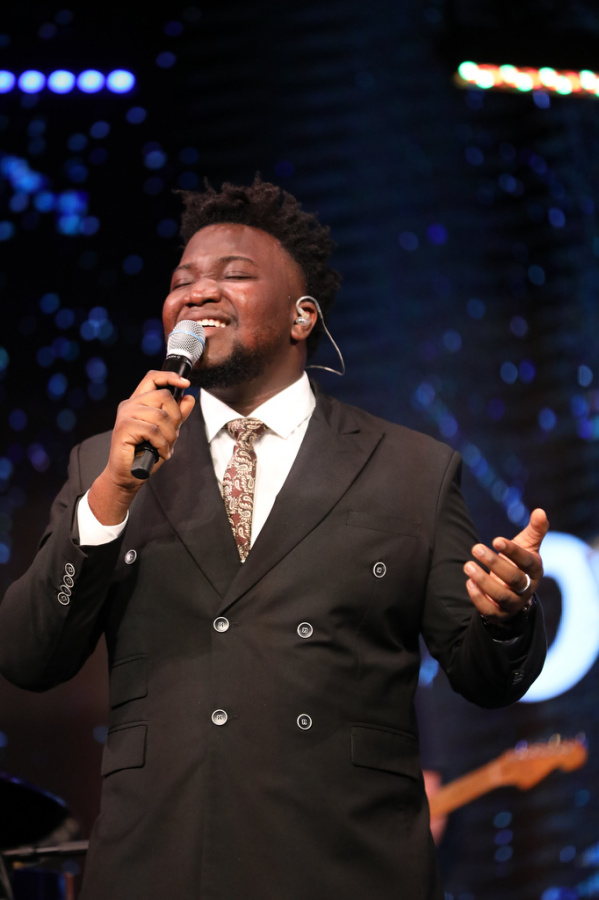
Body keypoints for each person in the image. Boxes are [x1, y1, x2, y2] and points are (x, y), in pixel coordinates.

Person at [0, 177, 548, 900]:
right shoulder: (107, 464)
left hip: (343, 863)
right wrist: (110, 496)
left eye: (233, 274)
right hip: (161, 862)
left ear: (301, 316)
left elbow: (486, 678)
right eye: (182, 280)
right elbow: (29, 655)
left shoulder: (410, 470)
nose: (197, 292)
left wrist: (505, 617)